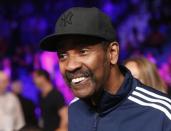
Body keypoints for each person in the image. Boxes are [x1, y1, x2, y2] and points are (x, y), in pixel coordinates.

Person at [39, 7, 171, 131]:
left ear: (112, 53)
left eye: (83, 51)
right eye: (63, 55)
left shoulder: (161, 114)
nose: (70, 65)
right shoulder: (75, 108)